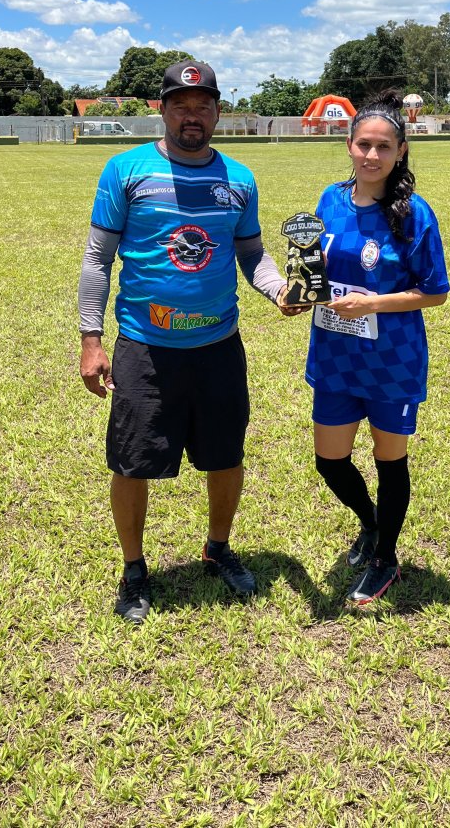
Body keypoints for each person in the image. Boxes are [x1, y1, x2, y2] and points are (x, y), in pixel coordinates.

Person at [78, 61, 294, 624]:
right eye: (181, 105)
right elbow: (99, 258)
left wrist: (277, 289)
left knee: (225, 456)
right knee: (131, 462)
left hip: (219, 346)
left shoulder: (239, 179)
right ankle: (134, 570)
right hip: (145, 348)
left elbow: (251, 253)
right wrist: (90, 338)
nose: (192, 116)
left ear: (218, 111)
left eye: (203, 106)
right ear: (163, 109)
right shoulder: (126, 170)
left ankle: (218, 548)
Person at [302, 90, 450, 605]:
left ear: (401, 151)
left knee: (390, 462)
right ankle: (369, 524)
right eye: (363, 144)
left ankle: (387, 557)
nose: (371, 155)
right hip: (336, 354)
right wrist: (303, 291)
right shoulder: (329, 200)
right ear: (348, 144)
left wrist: (375, 304)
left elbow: (436, 291)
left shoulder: (412, 213)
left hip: (392, 361)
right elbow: (316, 266)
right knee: (330, 460)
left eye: (383, 147)